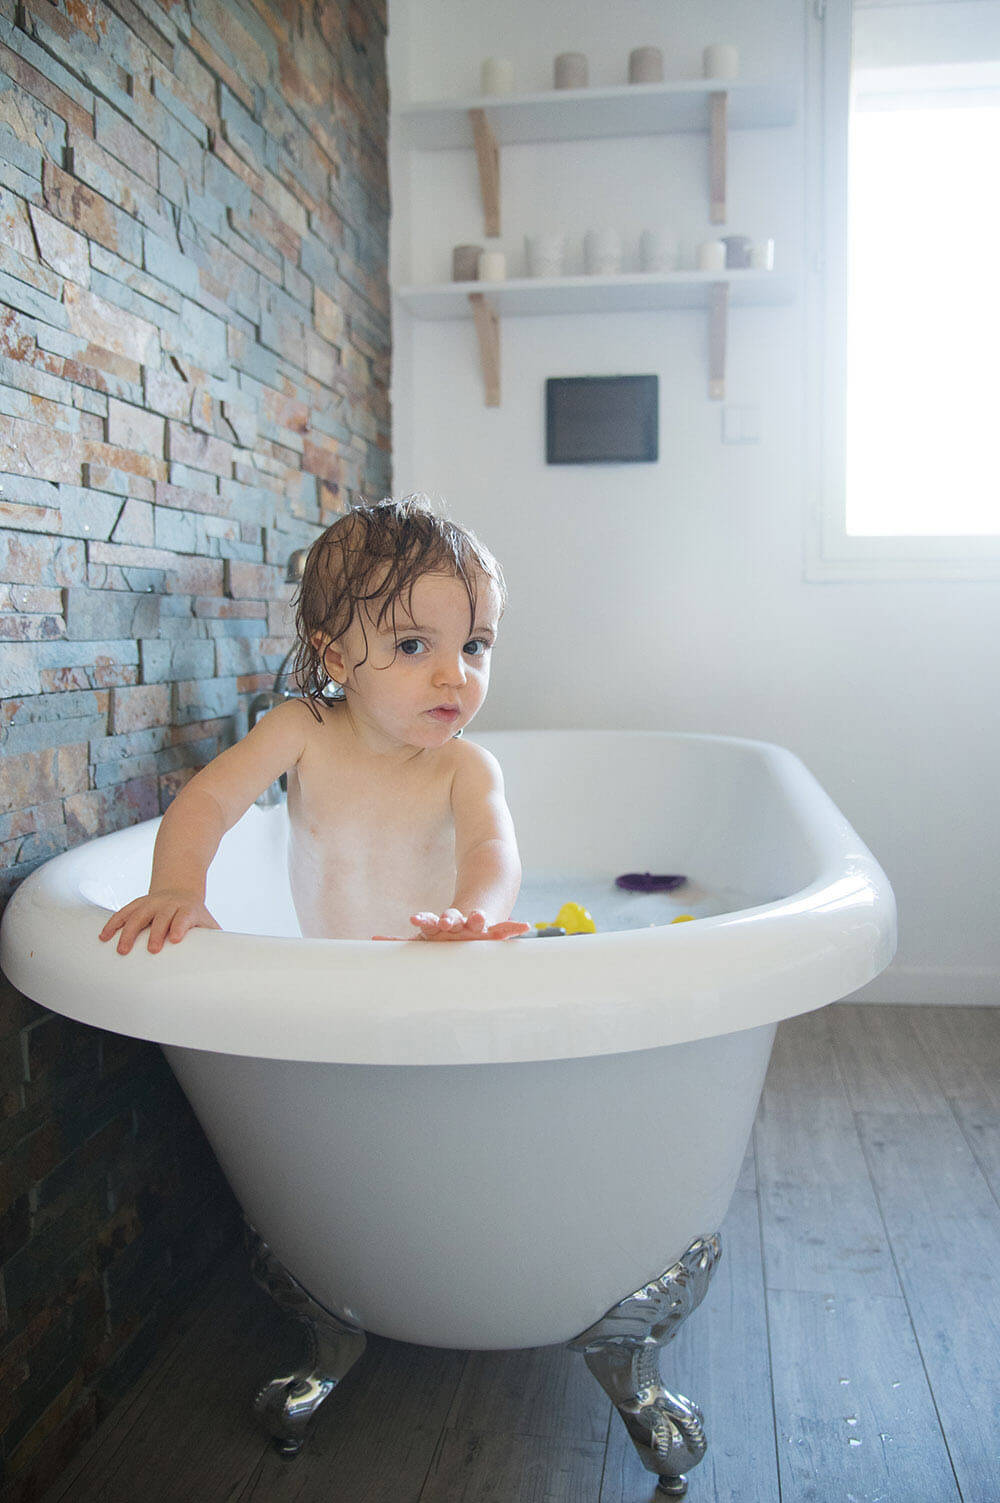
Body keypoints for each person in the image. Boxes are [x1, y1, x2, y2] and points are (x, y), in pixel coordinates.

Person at [99, 497, 530, 953]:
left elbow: (492, 854)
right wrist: (177, 889)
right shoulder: (302, 730)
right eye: (411, 646)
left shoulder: (466, 768)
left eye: (474, 645)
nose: (456, 675)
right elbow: (208, 800)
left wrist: (470, 917)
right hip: (329, 975)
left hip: (432, 967)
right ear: (337, 658)